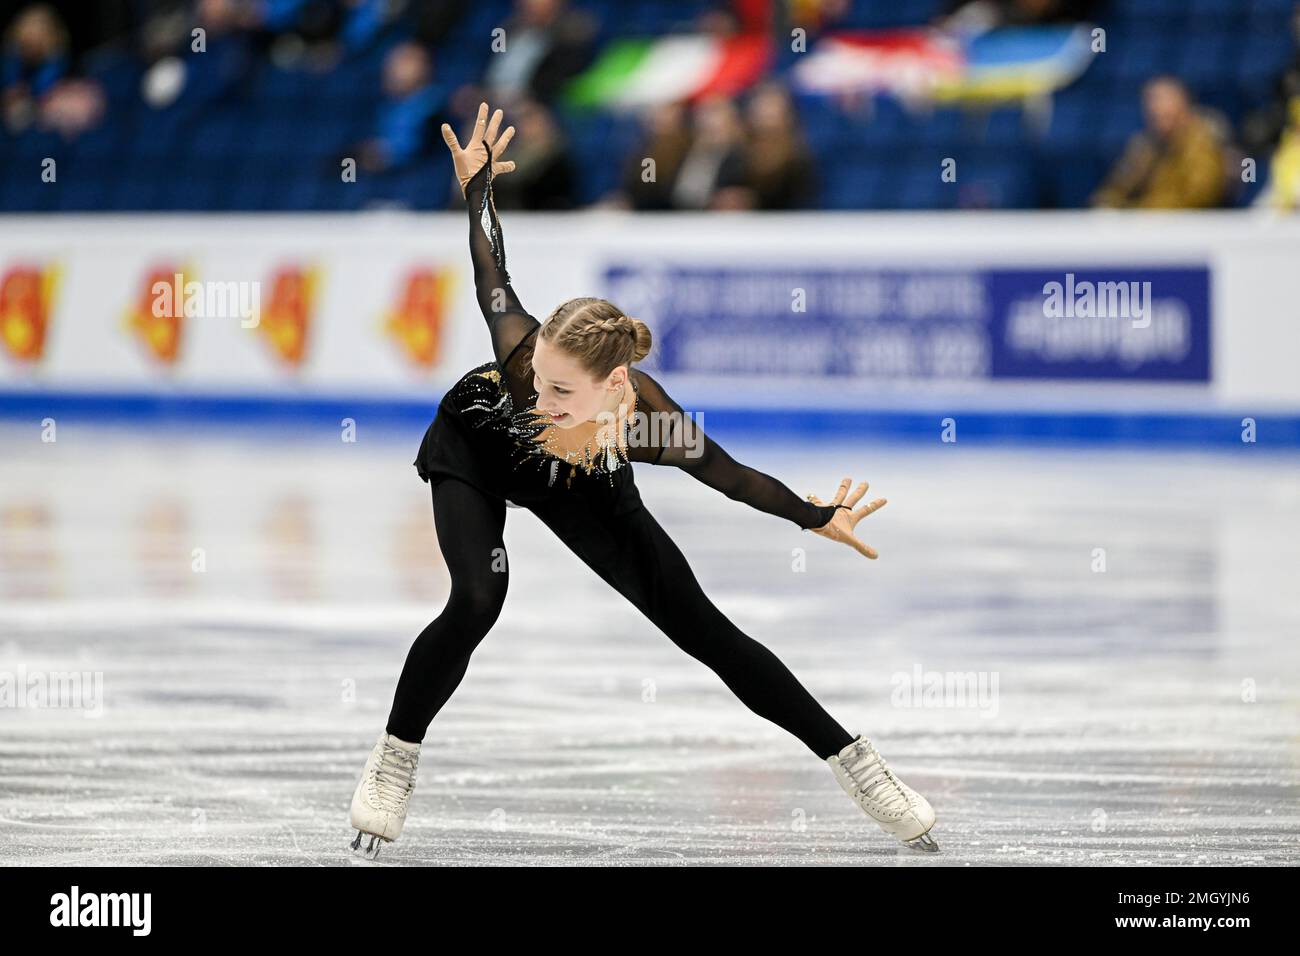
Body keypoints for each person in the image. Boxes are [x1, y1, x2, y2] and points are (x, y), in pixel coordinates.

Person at [347, 102, 939, 858]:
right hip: (475, 448)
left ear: (615, 385)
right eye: (539, 378)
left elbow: (729, 476)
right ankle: (395, 758)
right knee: (476, 597)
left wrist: (811, 515)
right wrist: (476, 190)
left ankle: (856, 764)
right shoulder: (521, 362)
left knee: (706, 631)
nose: (542, 398)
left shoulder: (648, 425)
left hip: (584, 485)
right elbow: (489, 264)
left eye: (564, 392)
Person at [1091, 75, 1228, 210]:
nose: (1154, 108)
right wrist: (1107, 208)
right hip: (1143, 223)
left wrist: (1137, 213)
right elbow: (1115, 189)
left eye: (1161, 101)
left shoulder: (1203, 141)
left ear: (1183, 103)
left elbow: (1198, 197)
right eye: (1150, 102)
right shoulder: (1143, 146)